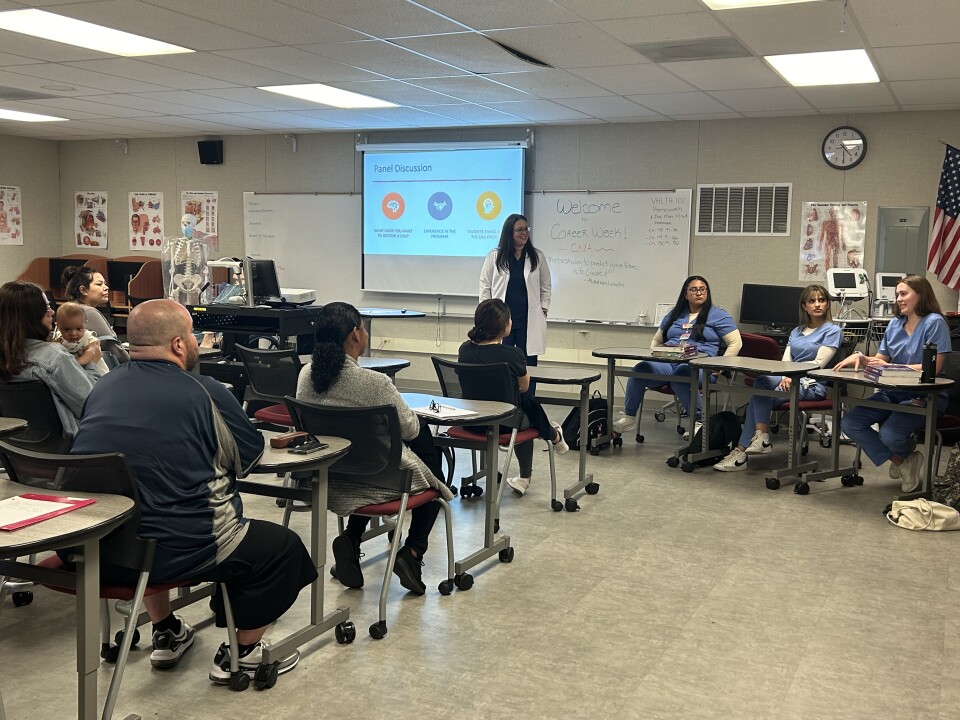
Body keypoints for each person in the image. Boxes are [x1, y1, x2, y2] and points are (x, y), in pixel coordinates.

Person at [71, 299, 314, 682]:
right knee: (284, 549)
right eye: (192, 335)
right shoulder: (206, 391)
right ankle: (244, 652)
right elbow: (248, 457)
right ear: (180, 345)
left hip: (100, 544)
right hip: (181, 547)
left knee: (147, 508)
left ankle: (166, 630)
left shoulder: (103, 388)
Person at [296, 301, 454, 595]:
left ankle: (352, 538)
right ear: (355, 334)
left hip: (331, 474)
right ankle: (413, 551)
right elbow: (408, 429)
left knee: (371, 461)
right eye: (363, 327)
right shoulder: (375, 383)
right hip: (381, 476)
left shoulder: (306, 375)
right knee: (432, 473)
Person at [835, 275, 952, 493]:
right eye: (897, 294)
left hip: (925, 396)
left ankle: (903, 454)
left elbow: (933, 368)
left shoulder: (935, 322)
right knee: (850, 423)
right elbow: (882, 360)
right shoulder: (895, 324)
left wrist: (894, 369)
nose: (898, 299)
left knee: (889, 434)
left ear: (921, 294)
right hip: (893, 392)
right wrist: (862, 357)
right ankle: (903, 461)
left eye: (904, 293)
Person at [714, 284, 842, 471]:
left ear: (828, 304)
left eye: (821, 300)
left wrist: (791, 375)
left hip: (811, 385)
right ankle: (748, 447)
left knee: (760, 388)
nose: (817, 305)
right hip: (788, 381)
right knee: (759, 394)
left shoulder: (832, 331)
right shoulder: (796, 332)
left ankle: (750, 446)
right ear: (804, 305)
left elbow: (818, 363)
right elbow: (785, 361)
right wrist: (785, 375)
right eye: (812, 301)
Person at [459, 299, 569, 497]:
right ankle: (534, 462)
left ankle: (553, 435)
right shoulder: (513, 354)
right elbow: (524, 387)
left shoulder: (464, 350)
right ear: (504, 326)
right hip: (504, 423)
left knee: (525, 405)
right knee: (527, 408)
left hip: (471, 421)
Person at [614, 275, 742, 437]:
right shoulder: (674, 314)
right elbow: (657, 340)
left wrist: (719, 366)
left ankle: (699, 423)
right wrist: (656, 356)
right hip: (669, 361)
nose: (699, 293)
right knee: (640, 369)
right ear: (685, 294)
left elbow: (736, 342)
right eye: (694, 289)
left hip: (700, 366)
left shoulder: (718, 315)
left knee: (681, 375)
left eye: (703, 289)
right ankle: (629, 417)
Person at [0, 281, 103, 438]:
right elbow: (94, 406)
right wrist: (91, 363)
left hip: (16, 450)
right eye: (46, 308)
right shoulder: (54, 357)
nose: (52, 312)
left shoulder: (6, 356)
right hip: (68, 451)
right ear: (31, 316)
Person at [479, 214, 551, 379]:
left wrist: (544, 307)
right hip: (502, 319)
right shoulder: (495, 256)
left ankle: (528, 400)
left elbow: (545, 285)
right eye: (520, 230)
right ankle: (505, 399)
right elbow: (485, 285)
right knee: (502, 361)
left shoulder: (537, 256)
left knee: (528, 363)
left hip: (528, 319)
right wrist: (487, 313)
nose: (524, 233)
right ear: (509, 233)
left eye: (526, 229)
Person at [61, 265, 130, 364]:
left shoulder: (70, 308)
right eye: (99, 284)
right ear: (83, 290)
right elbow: (113, 349)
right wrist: (132, 363)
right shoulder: (88, 312)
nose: (106, 288)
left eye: (105, 284)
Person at [54, 301, 110, 375]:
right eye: (67, 329)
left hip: (96, 371)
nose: (73, 333)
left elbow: (91, 351)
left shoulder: (88, 337)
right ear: (58, 326)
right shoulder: (59, 337)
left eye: (78, 329)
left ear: (85, 324)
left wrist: (77, 362)